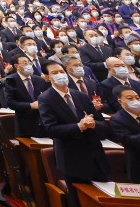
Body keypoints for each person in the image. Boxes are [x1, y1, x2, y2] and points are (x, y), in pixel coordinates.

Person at [38, 62, 110, 207]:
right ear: (47, 77)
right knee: (78, 201)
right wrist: (79, 126)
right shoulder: (46, 98)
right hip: (72, 158)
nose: (60, 75)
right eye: (55, 73)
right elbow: (51, 129)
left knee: (101, 200)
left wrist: (93, 124)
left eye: (61, 71)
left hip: (95, 155)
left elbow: (103, 125)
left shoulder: (81, 96)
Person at [5, 54, 48, 138]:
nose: (28, 65)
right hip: (24, 123)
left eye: (29, 63)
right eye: (25, 63)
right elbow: (10, 102)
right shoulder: (11, 80)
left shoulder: (39, 79)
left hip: (42, 122)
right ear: (17, 66)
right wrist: (30, 105)